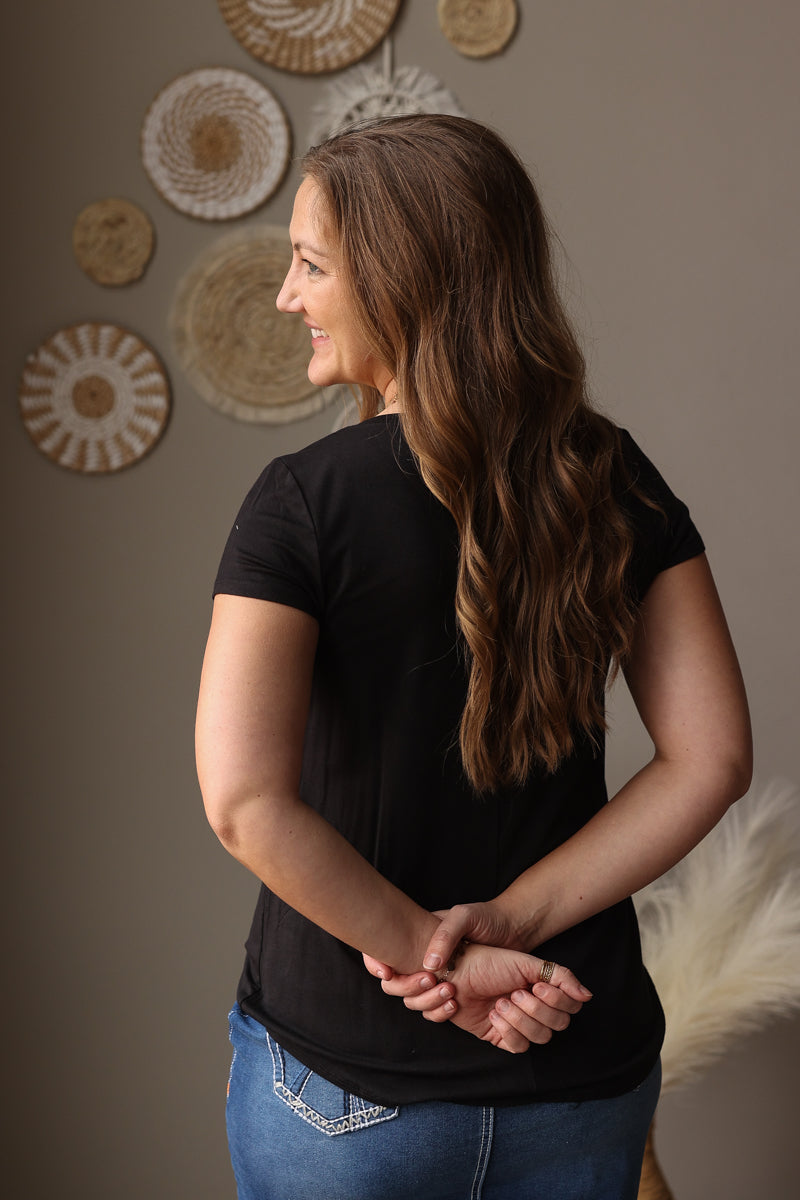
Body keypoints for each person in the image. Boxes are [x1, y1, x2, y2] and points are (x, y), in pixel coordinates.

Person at [195, 115, 751, 1200]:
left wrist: (421, 944)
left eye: (309, 265)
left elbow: (242, 802)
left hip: (344, 1094)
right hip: (576, 1069)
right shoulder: (613, 477)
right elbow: (710, 758)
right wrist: (506, 928)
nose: (285, 297)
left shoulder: (302, 504)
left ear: (400, 283)